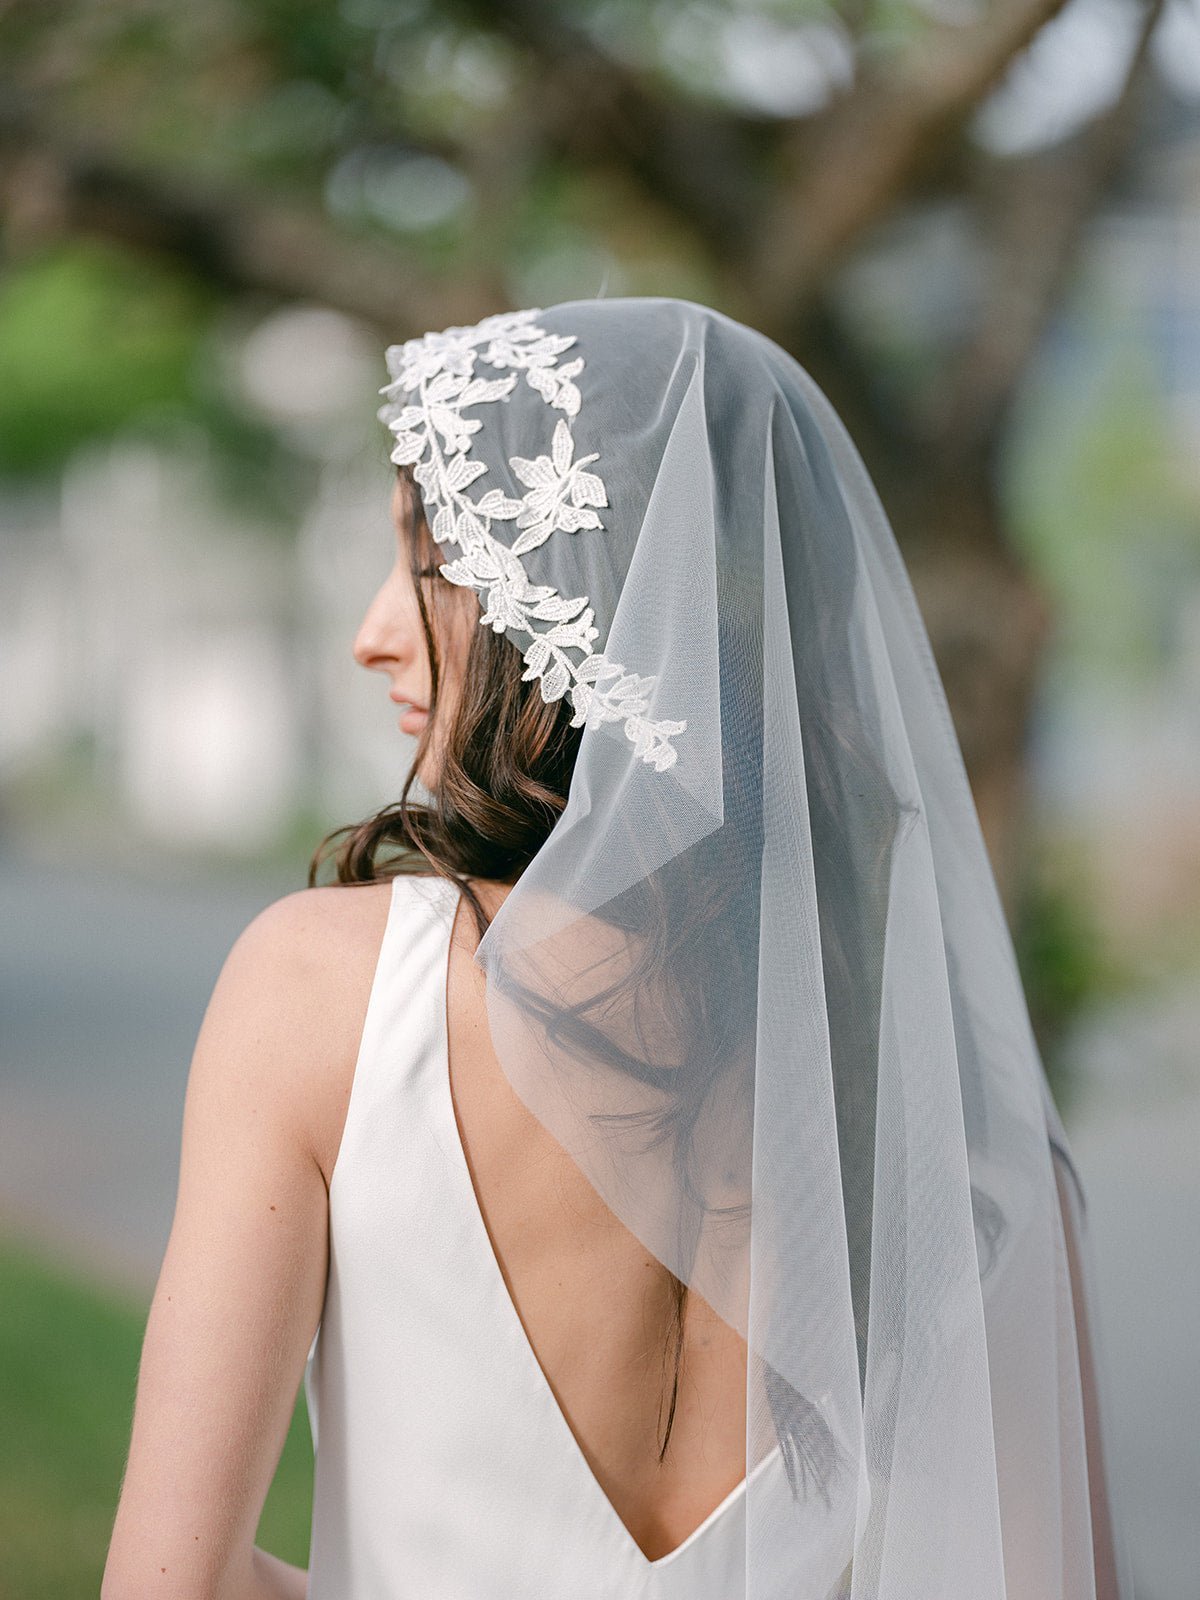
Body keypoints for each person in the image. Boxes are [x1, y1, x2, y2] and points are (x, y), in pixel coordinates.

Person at [103, 297, 1130, 1600]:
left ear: (590, 605)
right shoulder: (954, 1130)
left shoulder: (319, 988)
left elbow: (165, 1583)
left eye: (430, 565)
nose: (372, 630)